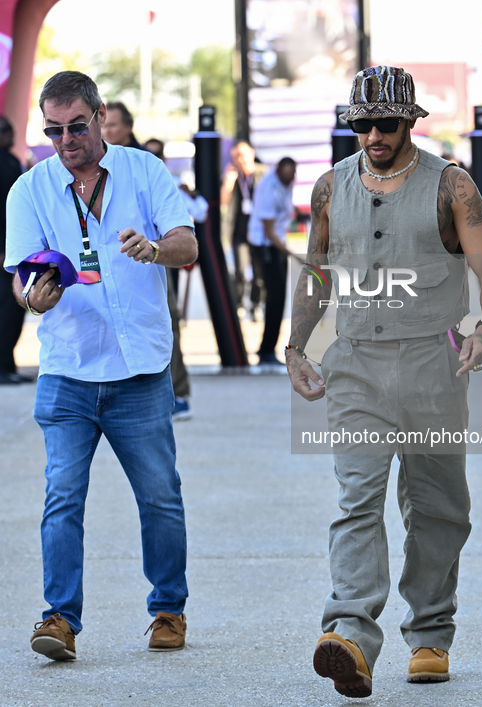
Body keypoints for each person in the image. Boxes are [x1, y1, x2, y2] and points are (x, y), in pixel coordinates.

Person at [286, 66, 482, 695]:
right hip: (355, 365)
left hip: (432, 365)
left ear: (410, 120)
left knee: (437, 507)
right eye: (363, 124)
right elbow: (317, 272)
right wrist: (295, 346)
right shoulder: (332, 187)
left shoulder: (452, 186)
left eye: (386, 123)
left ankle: (431, 633)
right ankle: (350, 634)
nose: (374, 135)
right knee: (357, 501)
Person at [4, 71, 197, 661]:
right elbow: (21, 279)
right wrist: (31, 298)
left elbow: (187, 246)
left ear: (100, 115)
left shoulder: (144, 172)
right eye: (54, 130)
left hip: (139, 370)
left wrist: (155, 249)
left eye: (77, 127)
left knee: (160, 496)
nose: (66, 140)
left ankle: (168, 609)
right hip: (67, 369)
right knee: (62, 496)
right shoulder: (28, 190)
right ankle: (59, 619)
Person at [144, 137, 209, 421]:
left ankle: (177, 393)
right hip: (142, 261)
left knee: (168, 322)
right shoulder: (119, 171)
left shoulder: (161, 179)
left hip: (162, 260)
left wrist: (190, 196)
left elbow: (198, 212)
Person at [248, 156, 298, 365]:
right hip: (266, 245)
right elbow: (269, 231)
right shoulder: (270, 189)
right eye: (287, 175)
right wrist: (292, 254)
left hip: (276, 243)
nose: (290, 179)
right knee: (275, 297)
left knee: (279, 298)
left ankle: (269, 347)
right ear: (278, 171)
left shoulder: (284, 183)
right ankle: (266, 349)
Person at [221, 140, 268, 319]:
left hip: (260, 232)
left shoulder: (263, 174)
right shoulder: (232, 175)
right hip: (239, 231)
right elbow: (223, 201)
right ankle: (239, 304)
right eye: (234, 157)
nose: (238, 160)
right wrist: (228, 182)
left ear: (251, 154)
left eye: (241, 155)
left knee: (259, 274)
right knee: (240, 271)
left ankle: (255, 304)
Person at [0, 116, 29, 384]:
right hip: (4, 251)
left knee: (13, 309)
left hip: (11, 247)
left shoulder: (10, 160)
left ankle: (7, 364)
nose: (10, 136)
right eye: (6, 132)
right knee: (8, 309)